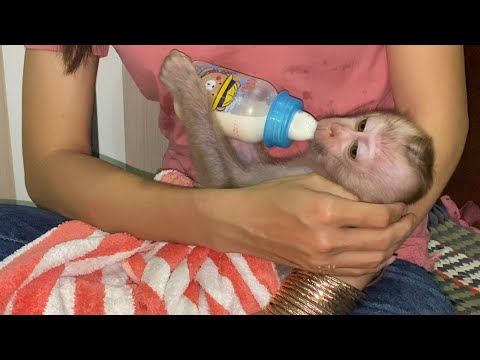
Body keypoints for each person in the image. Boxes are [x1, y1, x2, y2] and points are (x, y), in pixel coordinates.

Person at [0, 45, 468, 314]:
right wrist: (219, 219)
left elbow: (437, 120)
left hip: (366, 267)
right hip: (174, 227)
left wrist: (365, 242)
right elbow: (50, 161)